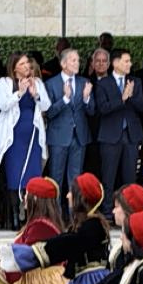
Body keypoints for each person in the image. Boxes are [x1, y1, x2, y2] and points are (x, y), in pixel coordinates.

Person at [0, 53, 51, 230]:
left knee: (33, 176)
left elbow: (46, 105)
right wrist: (20, 93)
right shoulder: (5, 83)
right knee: (15, 176)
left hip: (32, 136)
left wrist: (35, 94)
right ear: (14, 67)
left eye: (28, 63)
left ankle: (32, 216)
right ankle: (15, 216)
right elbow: (3, 105)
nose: (27, 66)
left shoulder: (37, 82)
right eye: (23, 63)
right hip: (13, 138)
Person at [94, 48, 143, 219]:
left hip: (130, 135)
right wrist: (122, 98)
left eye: (129, 61)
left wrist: (130, 97)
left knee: (130, 177)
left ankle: (129, 211)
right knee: (108, 177)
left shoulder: (135, 81)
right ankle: (108, 212)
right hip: (110, 136)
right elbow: (102, 109)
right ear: (115, 63)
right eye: (126, 61)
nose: (129, 64)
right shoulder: (103, 83)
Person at [43, 48, 93, 212]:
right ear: (63, 63)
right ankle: (55, 215)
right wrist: (64, 99)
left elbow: (92, 111)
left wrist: (86, 98)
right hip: (58, 137)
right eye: (73, 60)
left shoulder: (84, 82)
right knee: (56, 178)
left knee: (76, 179)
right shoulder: (51, 84)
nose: (77, 63)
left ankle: (75, 216)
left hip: (79, 137)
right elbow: (49, 112)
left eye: (78, 60)